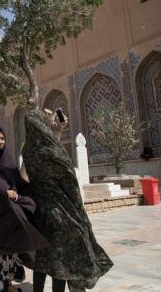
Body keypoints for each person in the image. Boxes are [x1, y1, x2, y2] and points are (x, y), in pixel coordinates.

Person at [22, 108, 113, 292]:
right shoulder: (52, 151)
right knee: (60, 263)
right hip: (60, 213)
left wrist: (57, 131)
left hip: (41, 213)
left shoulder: (28, 151)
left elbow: (24, 177)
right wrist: (80, 214)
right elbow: (70, 183)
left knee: (43, 258)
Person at [0, 125, 48, 292]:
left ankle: (7, 285)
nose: (0, 141)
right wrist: (5, 190)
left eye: (2, 138)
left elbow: (16, 177)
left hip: (8, 211)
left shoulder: (7, 157)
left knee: (10, 249)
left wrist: (31, 189)